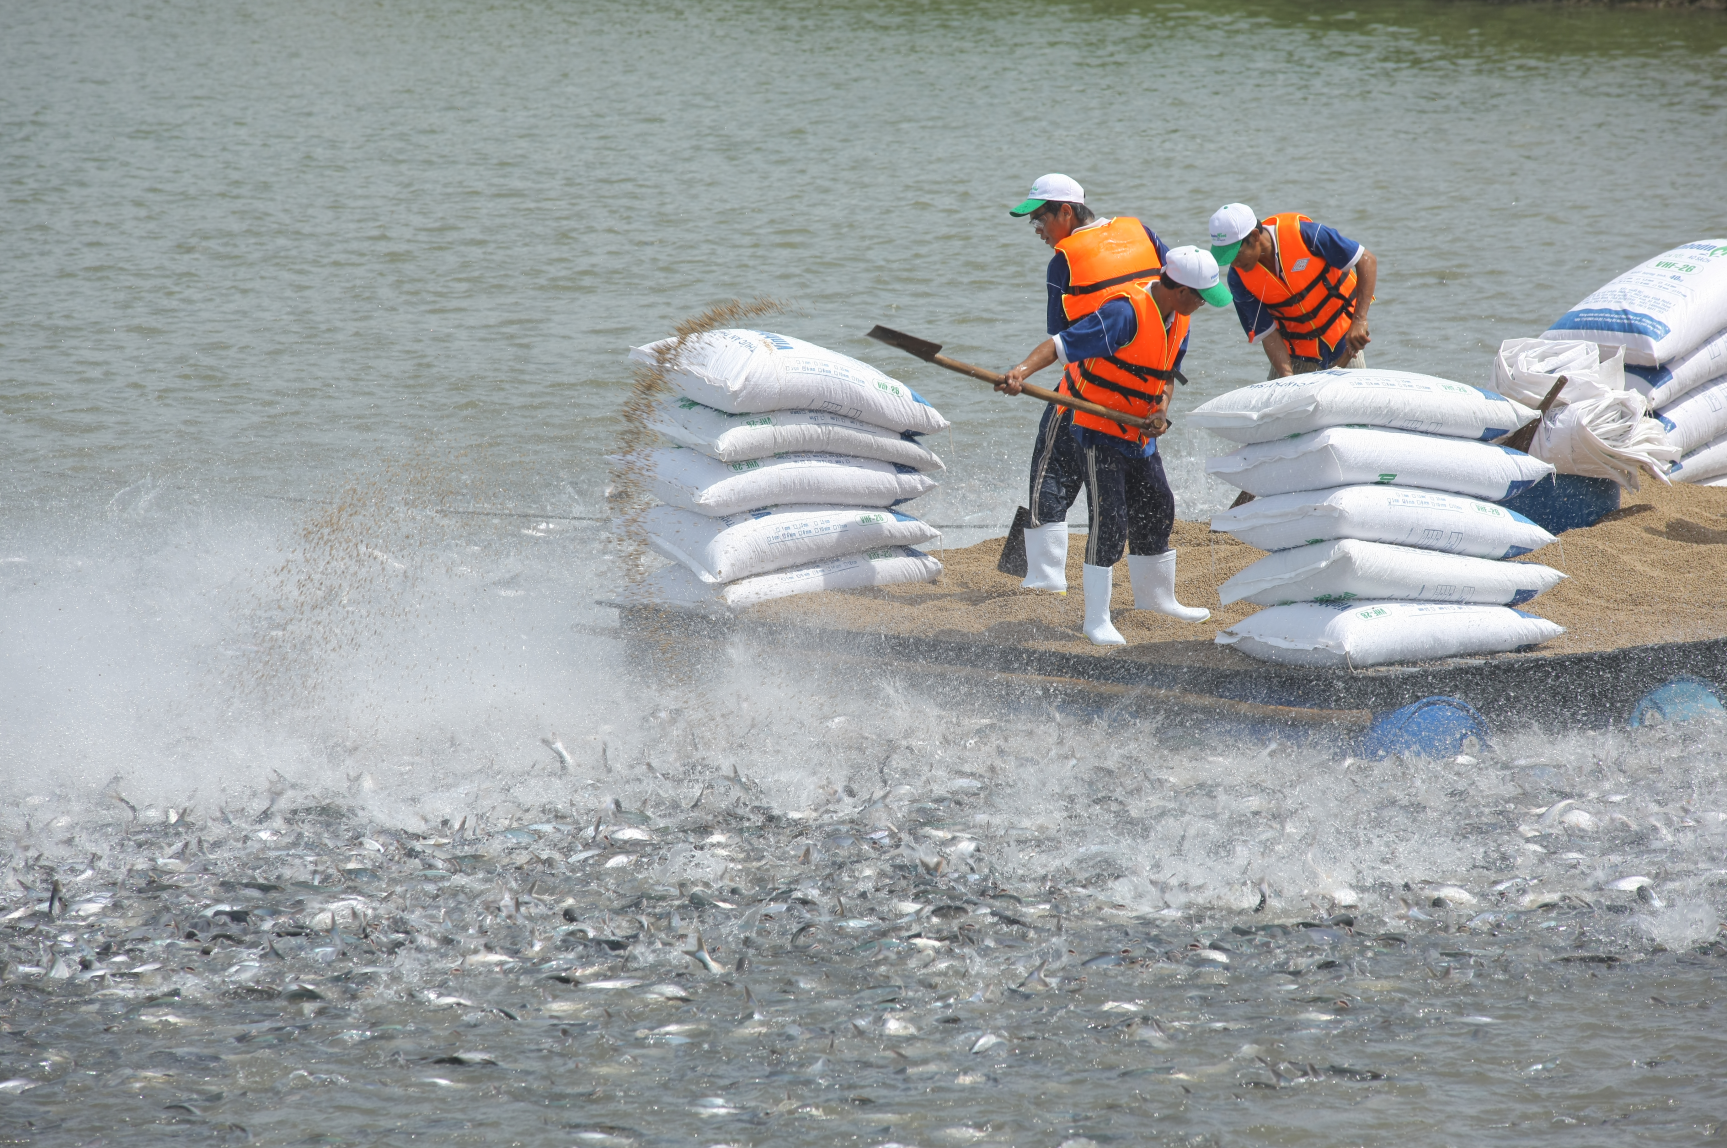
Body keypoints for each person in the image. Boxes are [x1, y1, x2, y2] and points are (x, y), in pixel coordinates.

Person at [998, 246, 1229, 645]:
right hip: (1099, 430)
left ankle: (1157, 598)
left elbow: (1167, 375)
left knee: (1159, 506)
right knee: (1109, 521)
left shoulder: (1179, 318)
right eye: (1202, 298)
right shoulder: (1123, 313)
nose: (1204, 306)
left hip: (1138, 432)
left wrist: (1161, 408)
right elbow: (1059, 345)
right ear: (1181, 291)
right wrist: (1019, 373)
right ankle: (1096, 619)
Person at [1006, 173, 1171, 595]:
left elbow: (1062, 338)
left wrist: (1022, 371)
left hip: (1085, 388)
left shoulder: (1063, 261)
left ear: (1066, 211)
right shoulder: (1142, 233)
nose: (1037, 229)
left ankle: (1045, 578)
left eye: (1039, 218)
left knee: (1049, 469)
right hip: (1142, 389)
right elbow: (1175, 296)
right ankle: (1151, 589)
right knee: (1137, 486)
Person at [1208, 203, 1377, 379]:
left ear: (1255, 236)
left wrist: (1360, 320)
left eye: (1235, 254)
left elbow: (1366, 260)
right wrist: (1287, 377)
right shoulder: (1238, 280)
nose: (1233, 264)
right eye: (1226, 257)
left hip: (1345, 346)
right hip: (1295, 357)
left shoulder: (1306, 235)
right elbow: (1268, 334)